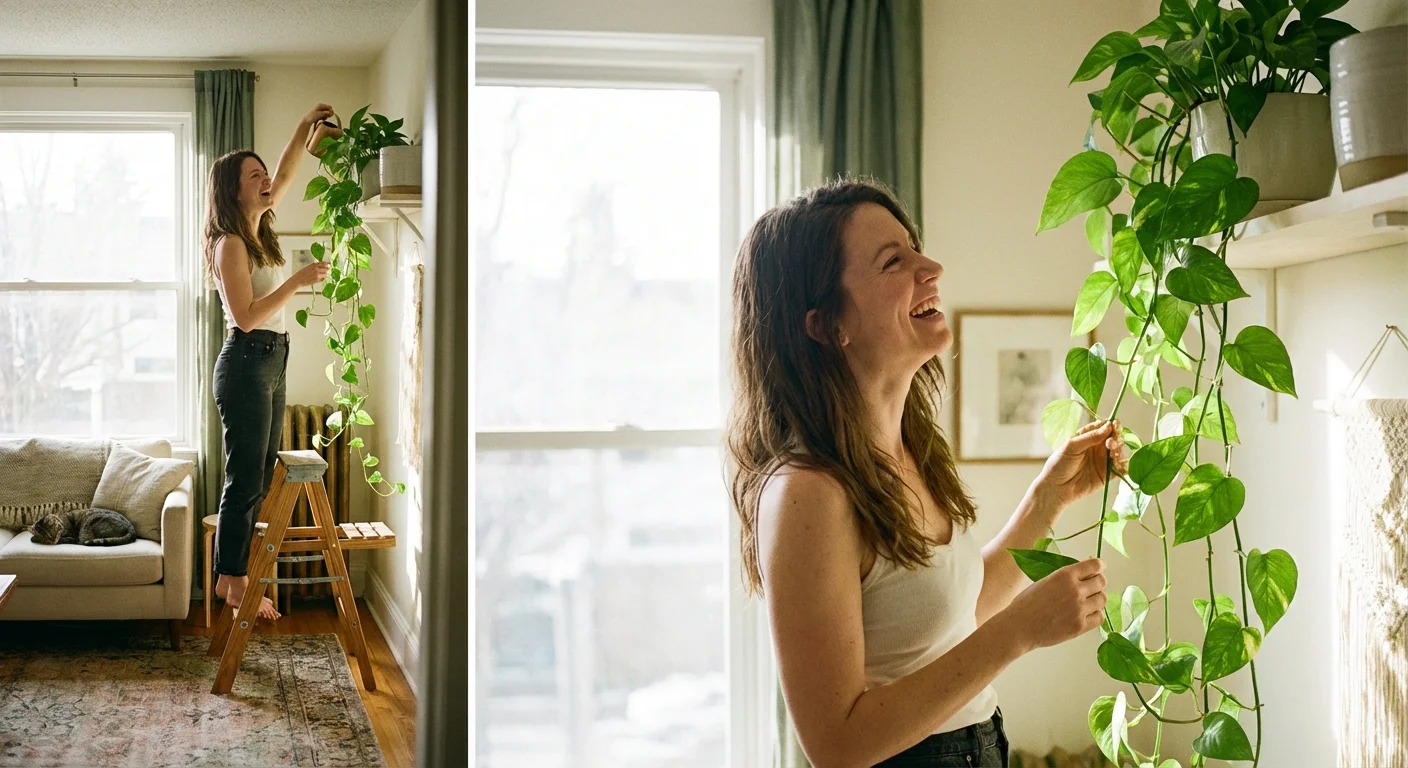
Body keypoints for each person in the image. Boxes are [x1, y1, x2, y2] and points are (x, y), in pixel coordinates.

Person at [725, 178, 1128, 767]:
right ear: (826, 324)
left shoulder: (908, 446)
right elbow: (836, 746)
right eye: (895, 261)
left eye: (915, 248)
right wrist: (1019, 633)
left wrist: (1047, 501)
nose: (931, 266)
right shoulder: (805, 492)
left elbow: (946, 623)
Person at [203, 104, 336, 621]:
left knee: (259, 472)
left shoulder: (259, 226)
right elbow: (247, 316)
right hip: (246, 361)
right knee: (244, 475)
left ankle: (232, 574)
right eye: (253, 176)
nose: (266, 181)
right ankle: (230, 581)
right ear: (234, 191)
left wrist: (304, 125)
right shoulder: (230, 244)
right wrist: (297, 283)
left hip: (274, 359)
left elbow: (284, 170)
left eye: (263, 175)